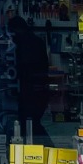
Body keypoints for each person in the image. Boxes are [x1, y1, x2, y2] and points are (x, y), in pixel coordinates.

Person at [9, 14, 51, 143]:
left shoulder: (26, 43)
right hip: (37, 90)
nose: (12, 36)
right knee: (32, 122)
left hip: (32, 91)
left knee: (30, 122)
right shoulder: (36, 41)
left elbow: (26, 67)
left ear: (18, 29)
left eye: (12, 32)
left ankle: (47, 148)